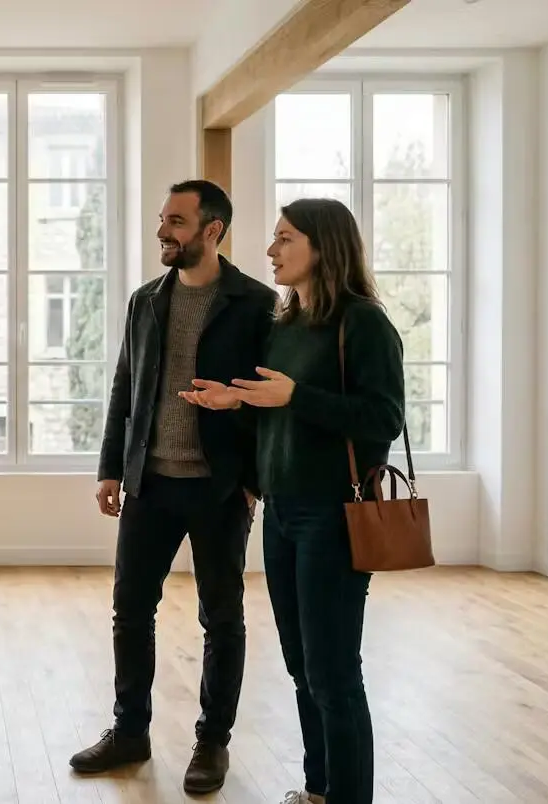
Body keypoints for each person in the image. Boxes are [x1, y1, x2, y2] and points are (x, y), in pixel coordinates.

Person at [181, 197, 405, 804]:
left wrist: (294, 398)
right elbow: (276, 404)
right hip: (279, 513)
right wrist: (239, 400)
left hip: (333, 516)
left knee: (334, 674)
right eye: (275, 238)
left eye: (285, 239)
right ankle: (316, 791)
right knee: (303, 670)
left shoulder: (363, 323)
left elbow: (384, 417)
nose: (271, 250)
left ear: (322, 247)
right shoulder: (284, 324)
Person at [70, 179, 277, 795]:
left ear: (212, 230)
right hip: (149, 485)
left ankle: (213, 742)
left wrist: (253, 483)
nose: (164, 230)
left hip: (220, 489)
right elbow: (124, 388)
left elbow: (270, 403)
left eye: (177, 221)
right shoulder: (145, 301)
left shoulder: (257, 304)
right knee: (131, 611)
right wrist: (111, 468)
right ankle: (129, 731)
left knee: (222, 618)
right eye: (163, 219)